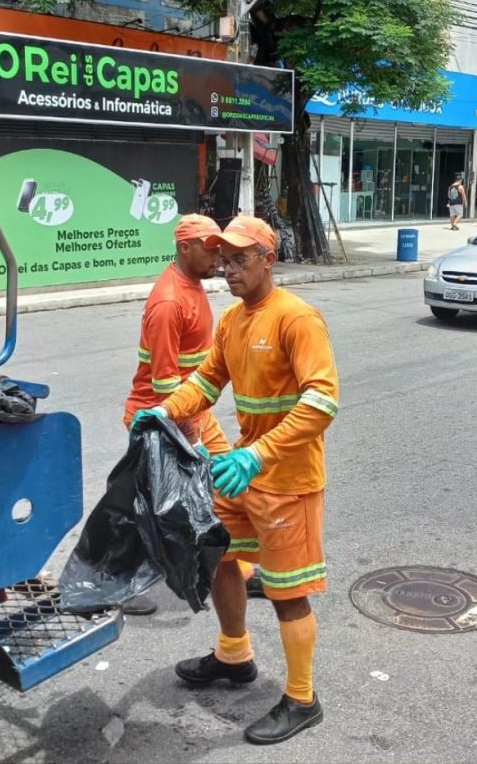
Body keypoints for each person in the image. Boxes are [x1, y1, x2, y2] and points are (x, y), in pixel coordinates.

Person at [132, 215, 339, 746]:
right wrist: (166, 412)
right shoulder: (233, 321)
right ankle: (234, 655)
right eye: (224, 260)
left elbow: (322, 401)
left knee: (287, 590)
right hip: (242, 472)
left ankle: (301, 698)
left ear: (268, 259)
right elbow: (206, 379)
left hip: (287, 478)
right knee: (221, 554)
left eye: (240, 259)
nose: (229, 270)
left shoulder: (297, 318)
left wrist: (258, 455)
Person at [121, 214, 235, 616]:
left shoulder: (194, 286)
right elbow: (165, 382)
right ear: (185, 247)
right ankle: (122, 583)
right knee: (145, 506)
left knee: (226, 485)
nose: (218, 255)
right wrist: (190, 437)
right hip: (160, 421)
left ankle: (235, 567)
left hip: (192, 414)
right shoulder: (169, 301)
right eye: (210, 247)